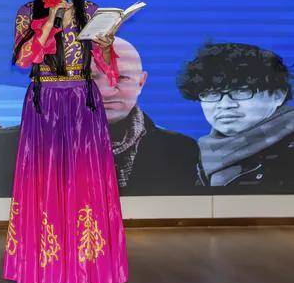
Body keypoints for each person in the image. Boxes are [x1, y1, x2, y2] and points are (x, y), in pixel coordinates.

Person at [3, 0, 128, 283]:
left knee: (84, 186)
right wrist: (51, 20)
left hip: (83, 107)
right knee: (45, 186)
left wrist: (106, 44)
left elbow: (108, 69)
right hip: (45, 107)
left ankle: (84, 273)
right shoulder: (28, 12)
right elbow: (24, 57)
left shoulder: (91, 11)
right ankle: (47, 272)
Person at [177, 42, 294, 190]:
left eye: (241, 91)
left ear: (278, 95)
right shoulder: (195, 155)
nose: (225, 104)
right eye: (212, 93)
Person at [92, 37, 199, 194]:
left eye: (121, 78)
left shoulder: (180, 149)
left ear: (141, 82)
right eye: (92, 78)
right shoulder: (56, 148)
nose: (106, 92)